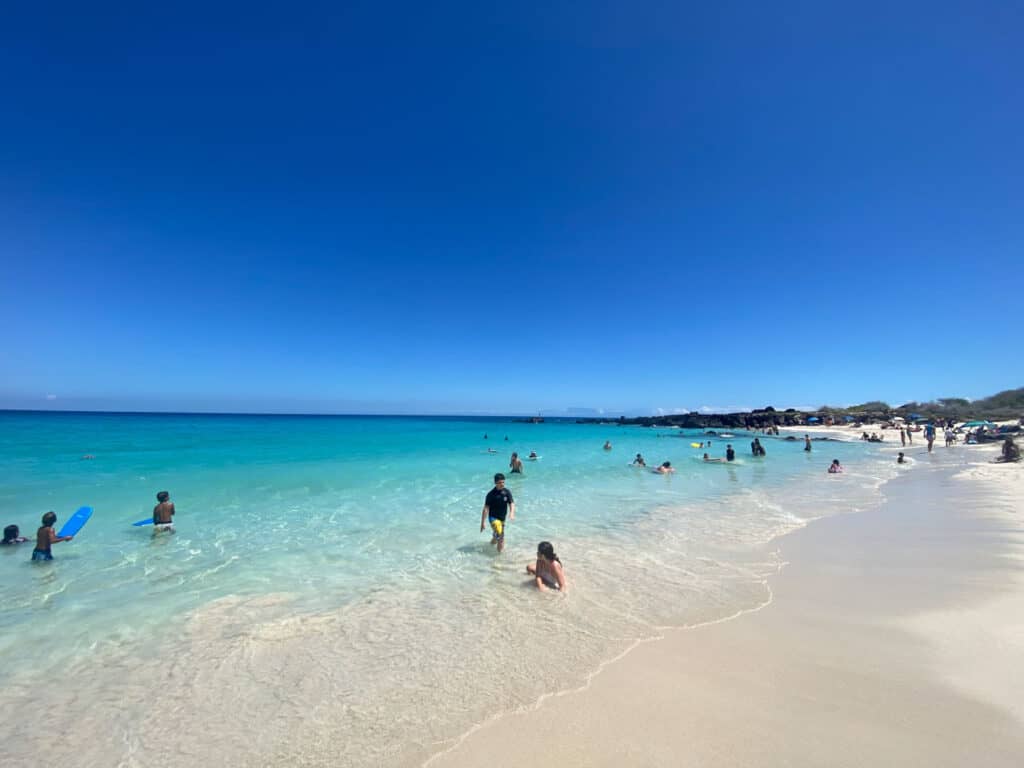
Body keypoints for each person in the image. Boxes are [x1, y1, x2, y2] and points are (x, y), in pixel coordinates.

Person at [481, 473, 515, 553]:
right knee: (501, 536)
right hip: (493, 518)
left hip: (502, 519)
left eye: (503, 482)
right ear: (495, 483)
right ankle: (499, 556)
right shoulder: (490, 494)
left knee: (497, 537)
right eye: (500, 483)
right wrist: (482, 523)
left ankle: (490, 545)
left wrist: (512, 513)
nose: (502, 484)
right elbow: (486, 508)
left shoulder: (507, 492)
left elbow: (511, 503)